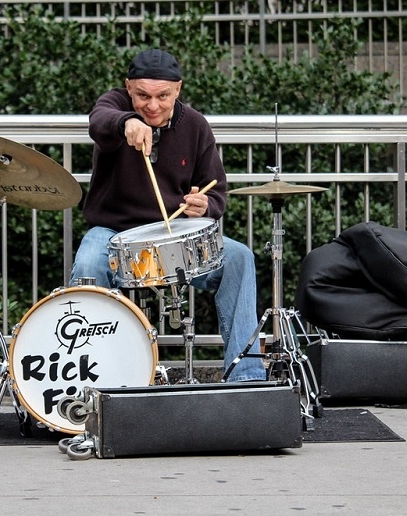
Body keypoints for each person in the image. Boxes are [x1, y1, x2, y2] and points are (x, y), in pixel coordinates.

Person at [69, 49, 266, 382]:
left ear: (178, 89)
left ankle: (246, 377)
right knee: (88, 266)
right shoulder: (115, 105)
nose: (153, 105)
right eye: (143, 96)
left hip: (172, 233)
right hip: (111, 231)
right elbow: (99, 120)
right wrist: (126, 122)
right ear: (128, 87)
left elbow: (215, 191)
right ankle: (82, 379)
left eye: (163, 96)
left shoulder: (196, 125)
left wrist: (205, 206)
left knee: (240, 258)